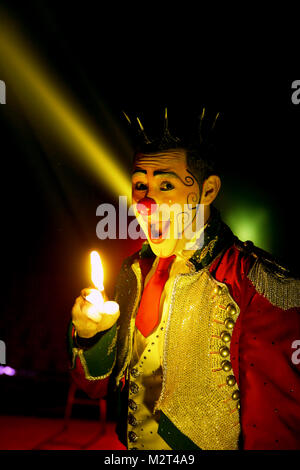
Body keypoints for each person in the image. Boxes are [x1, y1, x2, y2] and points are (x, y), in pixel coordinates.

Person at [68, 109, 300, 450]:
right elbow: (95, 388)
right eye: (140, 186)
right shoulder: (133, 271)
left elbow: (276, 432)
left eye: (166, 185)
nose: (146, 203)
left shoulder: (256, 284)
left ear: (208, 191)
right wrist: (90, 334)